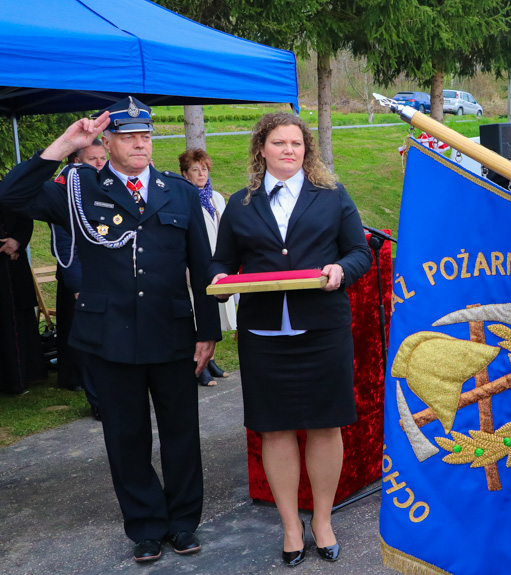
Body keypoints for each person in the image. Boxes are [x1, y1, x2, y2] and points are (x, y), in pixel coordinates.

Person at [0, 97, 221, 563]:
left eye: (146, 135)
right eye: (128, 136)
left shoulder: (177, 191)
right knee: (125, 434)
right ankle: (145, 525)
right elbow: (12, 196)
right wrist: (64, 145)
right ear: (107, 141)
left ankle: (183, 523)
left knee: (181, 431)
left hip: (171, 331)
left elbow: (203, 266)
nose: (140, 143)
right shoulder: (79, 187)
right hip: (109, 334)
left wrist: (208, 331)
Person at [209, 112, 372, 566]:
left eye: (296, 144)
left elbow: (359, 252)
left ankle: (322, 520)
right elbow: (217, 262)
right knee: (275, 428)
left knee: (325, 424)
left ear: (307, 150)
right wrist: (219, 277)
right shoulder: (241, 205)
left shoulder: (333, 196)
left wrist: (342, 270)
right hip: (264, 334)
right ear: (261, 148)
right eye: (279, 143)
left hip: (322, 330)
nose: (288, 150)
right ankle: (289, 527)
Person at [50, 140, 107, 418]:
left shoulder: (105, 187)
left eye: (102, 158)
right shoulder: (67, 192)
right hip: (83, 281)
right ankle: (97, 400)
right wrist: (77, 286)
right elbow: (65, 244)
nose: (99, 163)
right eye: (92, 159)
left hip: (109, 280)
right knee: (91, 343)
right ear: (76, 162)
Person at [178, 148, 236, 387]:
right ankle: (197, 364)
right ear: (185, 174)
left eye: (204, 169)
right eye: (195, 169)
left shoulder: (217, 198)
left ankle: (210, 359)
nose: (201, 174)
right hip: (195, 266)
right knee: (198, 314)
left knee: (216, 314)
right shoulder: (182, 199)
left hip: (217, 264)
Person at [0, 208, 47, 394]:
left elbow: (25, 218)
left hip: (12, 267)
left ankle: (16, 380)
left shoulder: (9, 192)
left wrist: (16, 242)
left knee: (15, 322)